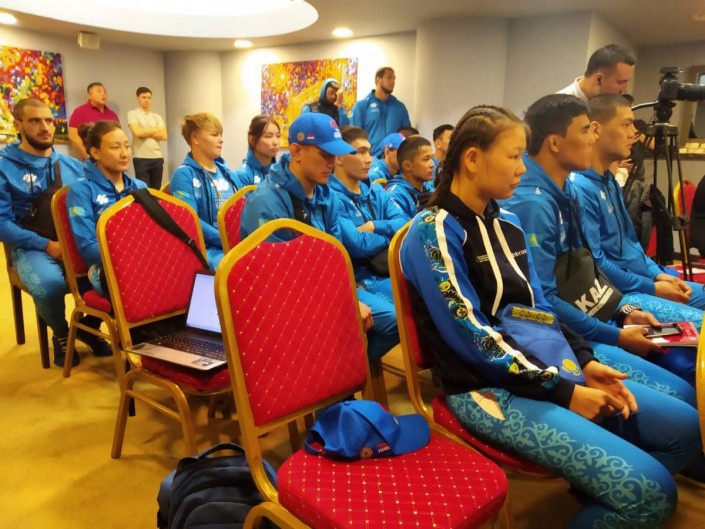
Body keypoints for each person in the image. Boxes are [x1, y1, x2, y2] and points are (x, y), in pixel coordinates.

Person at [401, 104, 703, 529]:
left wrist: (584, 360)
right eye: (513, 156)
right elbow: (476, 338)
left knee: (687, 429)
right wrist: (563, 390)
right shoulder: (432, 230)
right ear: (472, 158)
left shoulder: (507, 222)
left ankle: (602, 486)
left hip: (544, 364)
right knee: (652, 495)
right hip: (485, 388)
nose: (522, 168)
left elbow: (539, 308)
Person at [502, 94, 703, 388]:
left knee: (689, 356)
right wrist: (618, 333)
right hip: (573, 334)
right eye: (586, 130)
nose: (592, 138)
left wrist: (624, 312)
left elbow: (585, 275)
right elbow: (544, 302)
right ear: (555, 143)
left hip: (602, 311)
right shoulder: (535, 205)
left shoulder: (568, 191)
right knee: (682, 394)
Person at [241, 113, 399, 361]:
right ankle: (329, 369)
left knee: (395, 320)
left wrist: (345, 296)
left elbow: (335, 256)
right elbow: (277, 280)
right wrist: (344, 305)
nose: (332, 162)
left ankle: (340, 367)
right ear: (296, 151)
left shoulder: (326, 195)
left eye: (335, 155)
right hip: (287, 300)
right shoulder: (266, 203)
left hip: (323, 289)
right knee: (381, 319)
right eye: (325, 154)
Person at [0, 98, 108, 367]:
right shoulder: (4, 167)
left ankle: (87, 327)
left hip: (76, 244)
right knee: (50, 285)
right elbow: (2, 224)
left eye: (49, 120)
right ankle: (61, 333)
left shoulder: (73, 166)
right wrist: (46, 245)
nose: (45, 127)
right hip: (31, 247)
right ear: (18, 125)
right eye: (35, 121)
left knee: (117, 273)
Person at [67, 121, 147, 300]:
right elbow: (87, 247)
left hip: (143, 262)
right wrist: (131, 259)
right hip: (103, 268)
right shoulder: (81, 190)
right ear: (95, 153)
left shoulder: (140, 187)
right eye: (115, 147)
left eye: (127, 146)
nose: (124, 153)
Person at [328, 126, 407, 302]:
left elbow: (405, 222)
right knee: (403, 308)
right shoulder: (332, 197)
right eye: (361, 152)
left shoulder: (376, 191)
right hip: (360, 278)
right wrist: (390, 238)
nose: (369, 159)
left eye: (369, 152)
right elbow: (357, 244)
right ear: (339, 157)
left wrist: (374, 226)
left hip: (389, 267)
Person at [169, 113, 245, 269]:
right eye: (215, 134)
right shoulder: (183, 175)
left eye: (221, 135)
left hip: (236, 243)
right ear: (195, 138)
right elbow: (190, 221)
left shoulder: (229, 174)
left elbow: (245, 209)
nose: (221, 139)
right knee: (239, 269)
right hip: (207, 249)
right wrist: (226, 240)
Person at [351, 67, 411, 156]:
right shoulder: (361, 106)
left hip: (394, 158)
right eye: (389, 78)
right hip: (370, 159)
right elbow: (355, 138)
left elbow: (407, 135)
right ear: (378, 80)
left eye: (394, 79)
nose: (393, 82)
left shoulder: (400, 107)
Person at [557, 44, 636, 102]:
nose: (625, 90)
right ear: (598, 79)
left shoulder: (608, 105)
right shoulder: (559, 109)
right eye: (621, 82)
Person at [126, 87, 167, 189]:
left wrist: (144, 131)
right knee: (144, 189)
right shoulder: (132, 114)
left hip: (157, 157)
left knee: (156, 190)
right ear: (137, 98)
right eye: (143, 97)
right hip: (141, 157)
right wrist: (155, 130)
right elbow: (137, 133)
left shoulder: (157, 116)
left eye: (149, 97)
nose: (147, 100)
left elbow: (164, 135)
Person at [385, 136, 435, 220]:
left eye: (432, 158)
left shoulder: (429, 186)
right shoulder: (395, 195)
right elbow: (402, 225)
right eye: (426, 159)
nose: (432, 164)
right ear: (407, 166)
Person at [68, 82, 120, 159]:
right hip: (92, 157)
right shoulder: (80, 111)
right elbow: (73, 134)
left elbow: (118, 136)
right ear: (90, 95)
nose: (103, 94)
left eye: (105, 92)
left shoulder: (112, 114)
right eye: (99, 91)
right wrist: (86, 154)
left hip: (113, 157)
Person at [232, 115, 280, 186]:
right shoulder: (242, 174)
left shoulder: (283, 171)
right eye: (268, 136)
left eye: (278, 136)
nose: (275, 142)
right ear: (252, 139)